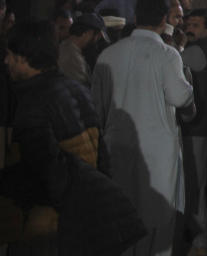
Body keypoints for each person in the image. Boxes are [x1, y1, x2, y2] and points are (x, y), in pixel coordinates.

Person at [1, 20, 145, 255]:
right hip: (86, 219)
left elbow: (45, 174)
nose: (5, 61)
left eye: (9, 54)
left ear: (23, 56)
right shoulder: (75, 89)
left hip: (50, 226)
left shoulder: (33, 103)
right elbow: (101, 158)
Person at [92, 0, 194, 256]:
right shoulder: (167, 55)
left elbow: (97, 108)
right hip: (158, 152)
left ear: (136, 17)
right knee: (157, 219)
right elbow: (180, 97)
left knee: (122, 215)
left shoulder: (108, 55)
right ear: (164, 20)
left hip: (117, 146)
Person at [180, 9, 207, 255]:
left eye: (195, 25)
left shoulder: (197, 50)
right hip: (203, 126)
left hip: (195, 126)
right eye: (188, 24)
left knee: (194, 185)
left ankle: (199, 240)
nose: (190, 28)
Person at [58, 12, 106, 86]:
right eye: (98, 37)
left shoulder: (67, 48)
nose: (97, 41)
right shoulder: (73, 57)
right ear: (89, 33)